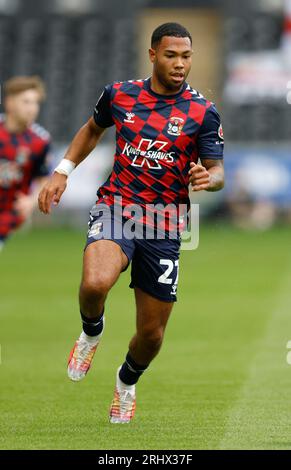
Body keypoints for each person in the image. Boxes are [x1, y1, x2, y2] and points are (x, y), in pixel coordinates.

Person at [38, 22, 224, 424]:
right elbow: (92, 129)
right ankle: (91, 333)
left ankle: (125, 383)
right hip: (117, 206)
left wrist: (209, 179)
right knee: (94, 284)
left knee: (152, 335)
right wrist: (62, 171)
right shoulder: (120, 94)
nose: (180, 64)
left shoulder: (202, 112)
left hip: (165, 222)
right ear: (153, 54)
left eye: (186, 56)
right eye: (171, 55)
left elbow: (217, 168)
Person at [0, 76, 51, 251]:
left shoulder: (40, 141)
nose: (32, 108)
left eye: (35, 103)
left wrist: (30, 202)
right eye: (26, 102)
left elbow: (43, 179)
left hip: (7, 213)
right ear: (9, 103)